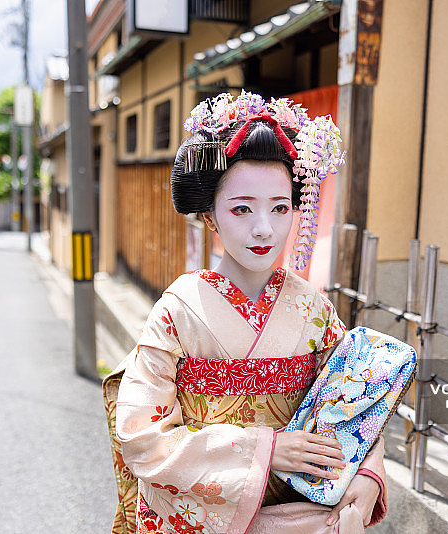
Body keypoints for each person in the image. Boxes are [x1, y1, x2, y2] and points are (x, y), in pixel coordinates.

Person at [103, 92, 392, 534]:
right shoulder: (178, 311)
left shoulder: (312, 309)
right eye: (242, 208)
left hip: (303, 516)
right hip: (203, 517)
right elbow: (143, 437)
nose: (265, 228)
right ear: (210, 216)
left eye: (280, 208)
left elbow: (359, 408)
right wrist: (265, 449)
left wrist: (369, 474)